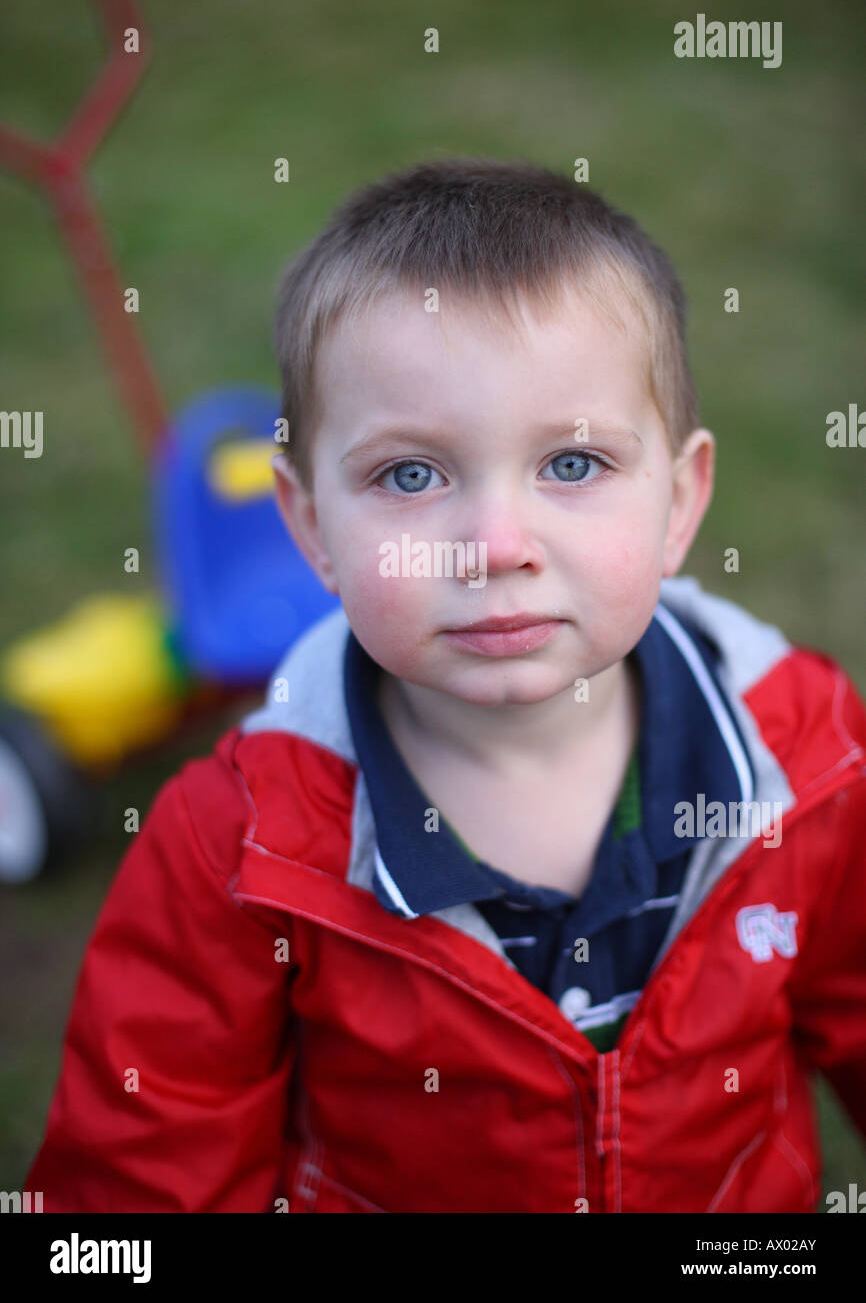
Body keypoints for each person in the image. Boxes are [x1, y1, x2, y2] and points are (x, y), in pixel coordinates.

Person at [24, 158, 866, 1212]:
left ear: (680, 500)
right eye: (409, 475)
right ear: (310, 527)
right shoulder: (239, 844)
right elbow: (141, 1177)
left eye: (570, 464)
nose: (495, 546)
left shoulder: (808, 754)